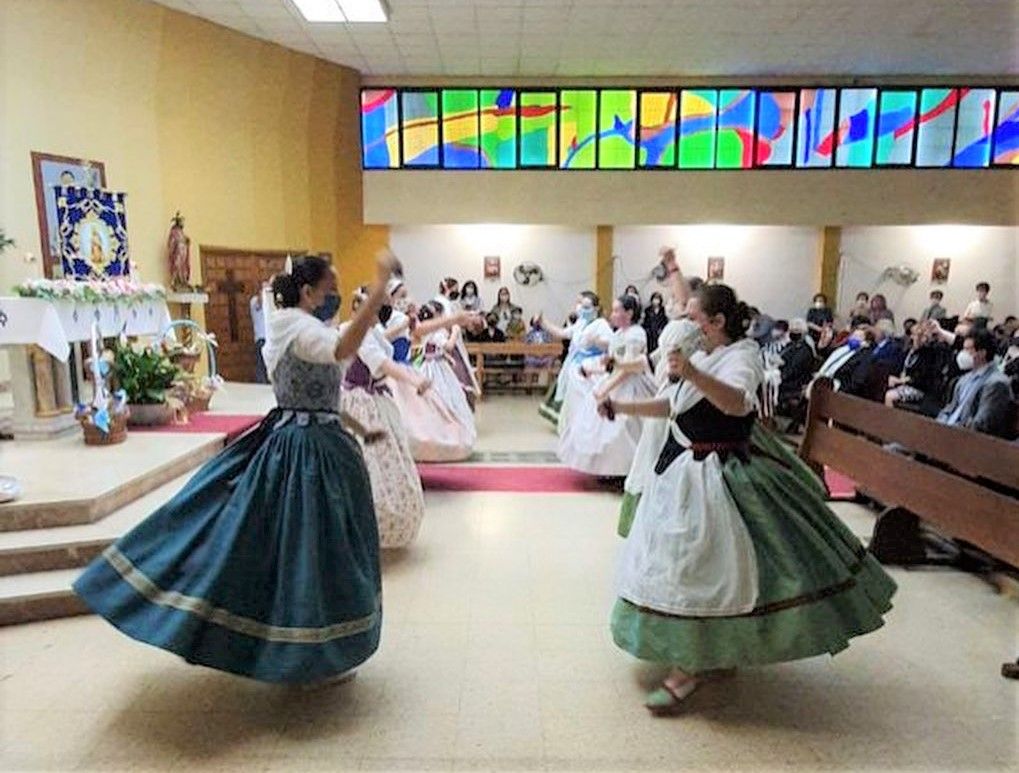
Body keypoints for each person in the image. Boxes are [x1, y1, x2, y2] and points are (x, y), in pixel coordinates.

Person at [73, 252, 401, 685]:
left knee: (329, 554)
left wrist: (359, 426)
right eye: (330, 286)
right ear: (307, 292)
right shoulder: (288, 325)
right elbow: (339, 349)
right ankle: (296, 654)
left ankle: (326, 651)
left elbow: (325, 393)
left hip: (325, 446)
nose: (334, 295)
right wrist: (377, 292)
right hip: (298, 454)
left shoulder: (308, 326)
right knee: (298, 553)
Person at [601, 283, 896, 715]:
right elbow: (675, 405)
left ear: (718, 322)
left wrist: (692, 372)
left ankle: (690, 668)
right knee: (681, 565)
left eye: (695, 317)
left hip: (719, 478)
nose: (688, 324)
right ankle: (711, 652)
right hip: (681, 473)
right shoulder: (698, 354)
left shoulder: (743, 355)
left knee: (705, 568)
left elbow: (738, 404)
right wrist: (623, 409)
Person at [341, 287, 429, 549]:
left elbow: (388, 345)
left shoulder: (372, 330)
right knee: (370, 464)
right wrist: (414, 379)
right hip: (360, 406)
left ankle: (382, 523)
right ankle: (365, 523)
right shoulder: (357, 333)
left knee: (389, 461)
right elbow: (381, 363)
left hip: (377, 399)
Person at [557, 295, 655, 476]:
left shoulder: (636, 334)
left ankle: (629, 470)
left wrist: (606, 388)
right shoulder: (618, 334)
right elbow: (611, 364)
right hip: (614, 380)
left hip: (631, 384)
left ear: (629, 313)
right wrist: (593, 370)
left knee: (625, 428)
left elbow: (628, 368)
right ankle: (610, 470)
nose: (613, 314)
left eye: (618, 310)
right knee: (601, 425)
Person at [385, 281, 478, 462]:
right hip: (394, 374)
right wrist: (454, 321)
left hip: (404, 370)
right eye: (402, 296)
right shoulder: (398, 318)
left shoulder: (402, 319)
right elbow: (422, 330)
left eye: (406, 295)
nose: (407, 300)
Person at [537, 292, 612, 427]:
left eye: (586, 307)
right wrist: (543, 323)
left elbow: (610, 344)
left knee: (587, 400)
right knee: (573, 400)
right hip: (575, 365)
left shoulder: (601, 324)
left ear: (595, 309)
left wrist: (596, 341)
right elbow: (563, 333)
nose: (582, 309)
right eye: (581, 306)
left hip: (591, 368)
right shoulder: (581, 322)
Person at [417, 301, 478, 454]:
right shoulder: (437, 333)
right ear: (437, 315)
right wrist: (455, 333)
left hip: (430, 365)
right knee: (445, 399)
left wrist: (448, 359)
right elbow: (448, 347)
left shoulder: (426, 332)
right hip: (437, 369)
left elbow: (435, 351)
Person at [936, 329, 1015, 438]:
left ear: (982, 353)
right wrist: (938, 427)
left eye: (968, 349)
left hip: (965, 439)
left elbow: (982, 423)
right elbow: (949, 409)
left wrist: (951, 433)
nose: (962, 354)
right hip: (946, 432)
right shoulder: (964, 379)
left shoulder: (997, 383)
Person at [436, 278, 481, 409]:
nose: (457, 291)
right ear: (448, 288)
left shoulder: (450, 303)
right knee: (458, 377)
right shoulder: (442, 303)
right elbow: (450, 322)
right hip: (446, 345)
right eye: (455, 288)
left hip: (452, 343)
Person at [250, 281, 270, 384]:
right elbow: (260, 302)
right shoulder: (254, 301)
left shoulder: (270, 303)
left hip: (270, 338)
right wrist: (264, 291)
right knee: (261, 365)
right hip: (261, 339)